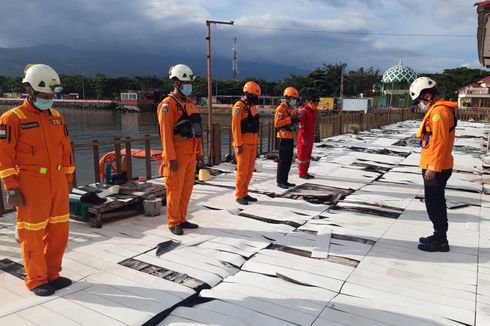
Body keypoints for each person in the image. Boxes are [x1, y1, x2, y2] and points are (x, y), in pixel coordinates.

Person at [0, 64, 75, 296]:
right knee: (31, 233)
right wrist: (11, 188)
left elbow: (66, 149)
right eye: (45, 95)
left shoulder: (56, 117)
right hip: (32, 184)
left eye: (52, 96)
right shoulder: (12, 119)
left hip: (58, 182)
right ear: (30, 91)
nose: (49, 99)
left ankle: (53, 273)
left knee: (59, 231)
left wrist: (69, 176)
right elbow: (4, 156)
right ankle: (36, 279)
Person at [410, 76, 457, 252]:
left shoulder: (439, 113)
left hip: (436, 167)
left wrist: (433, 168)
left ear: (428, 96)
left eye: (418, 101)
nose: (419, 105)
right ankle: (438, 235)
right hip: (434, 164)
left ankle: (441, 241)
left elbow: (440, 142)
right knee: (433, 202)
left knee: (435, 203)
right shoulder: (438, 110)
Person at [157, 64, 204, 235]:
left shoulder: (188, 104)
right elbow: (166, 135)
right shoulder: (167, 106)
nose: (188, 85)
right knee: (174, 190)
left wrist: (199, 153)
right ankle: (173, 221)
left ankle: (182, 219)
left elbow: (196, 132)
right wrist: (171, 159)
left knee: (186, 189)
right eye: (185, 82)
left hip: (190, 153)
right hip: (176, 155)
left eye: (189, 82)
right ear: (176, 82)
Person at [232, 81, 261, 205]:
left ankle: (245, 192)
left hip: (253, 141)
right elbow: (235, 127)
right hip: (243, 143)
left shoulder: (252, 106)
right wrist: (238, 144)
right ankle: (239, 194)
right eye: (253, 96)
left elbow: (254, 123)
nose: (255, 99)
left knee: (249, 171)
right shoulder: (239, 106)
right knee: (242, 171)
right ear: (247, 93)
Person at [275, 86, 301, 189]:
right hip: (283, 137)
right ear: (287, 98)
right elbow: (277, 124)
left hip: (290, 136)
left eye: (295, 99)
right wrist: (290, 119)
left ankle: (285, 180)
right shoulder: (280, 109)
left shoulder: (291, 108)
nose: (294, 101)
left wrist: (296, 118)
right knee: (283, 160)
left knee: (289, 159)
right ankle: (280, 181)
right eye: (292, 99)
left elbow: (293, 119)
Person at [297, 95, 319, 179]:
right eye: (315, 104)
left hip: (310, 137)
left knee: (307, 156)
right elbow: (301, 126)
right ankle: (302, 173)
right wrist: (303, 137)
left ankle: (305, 172)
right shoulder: (304, 111)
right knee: (302, 155)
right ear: (310, 103)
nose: (316, 106)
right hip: (304, 137)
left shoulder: (312, 112)